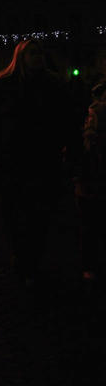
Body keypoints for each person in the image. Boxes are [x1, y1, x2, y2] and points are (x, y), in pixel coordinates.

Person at [0, 40, 69, 284]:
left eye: (40, 53)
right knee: (15, 210)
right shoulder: (4, 86)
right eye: (33, 53)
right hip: (13, 159)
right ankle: (22, 255)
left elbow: (64, 120)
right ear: (21, 57)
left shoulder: (52, 85)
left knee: (39, 211)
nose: (37, 57)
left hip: (42, 159)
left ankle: (31, 257)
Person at [78, 81, 106, 283]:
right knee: (92, 224)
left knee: (91, 225)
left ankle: (91, 264)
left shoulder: (93, 112)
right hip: (94, 178)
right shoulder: (96, 113)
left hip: (91, 179)